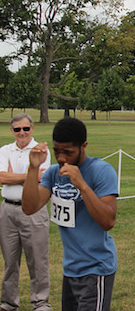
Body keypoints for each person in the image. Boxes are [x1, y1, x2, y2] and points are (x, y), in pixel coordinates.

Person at [21, 117, 118, 310]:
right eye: (57, 151)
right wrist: (32, 168)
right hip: (71, 269)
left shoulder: (101, 171)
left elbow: (108, 220)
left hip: (96, 268)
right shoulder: (53, 174)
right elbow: (29, 207)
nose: (62, 157)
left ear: (84, 146)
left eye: (68, 152)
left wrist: (82, 185)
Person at [0, 114, 51, 311]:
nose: (22, 133)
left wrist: (13, 175)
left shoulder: (41, 150)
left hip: (34, 211)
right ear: (11, 131)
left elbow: (41, 178)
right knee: (10, 259)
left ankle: (40, 302)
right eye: (17, 129)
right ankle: (9, 302)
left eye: (26, 129)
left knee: (37, 258)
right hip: (8, 209)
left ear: (32, 129)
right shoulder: (5, 151)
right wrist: (29, 174)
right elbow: (1, 177)